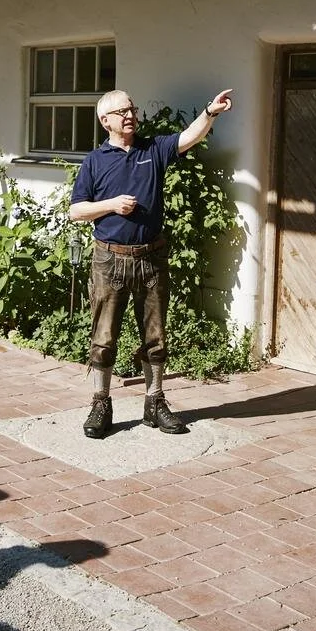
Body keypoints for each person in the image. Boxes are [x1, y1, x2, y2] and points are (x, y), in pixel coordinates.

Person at [69, 87, 233, 438]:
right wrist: (111, 205)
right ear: (105, 120)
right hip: (109, 260)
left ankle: (154, 402)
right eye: (122, 111)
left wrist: (211, 112)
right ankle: (101, 403)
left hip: (151, 257)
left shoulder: (153, 149)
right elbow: (76, 210)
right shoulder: (94, 161)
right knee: (104, 336)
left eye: (133, 109)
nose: (130, 115)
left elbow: (188, 138)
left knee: (155, 336)